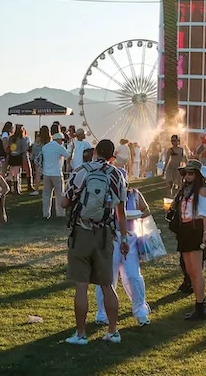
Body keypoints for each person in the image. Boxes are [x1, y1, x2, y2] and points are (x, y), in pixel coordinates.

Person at [61, 139, 129, 345]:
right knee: (107, 285)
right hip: (105, 233)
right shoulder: (117, 175)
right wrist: (124, 237)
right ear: (111, 156)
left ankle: (81, 334)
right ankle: (113, 331)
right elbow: (121, 211)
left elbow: (65, 201)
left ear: (95, 152)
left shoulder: (82, 171)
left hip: (82, 230)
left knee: (81, 286)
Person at [93, 183, 152, 327]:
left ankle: (140, 311)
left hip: (130, 238)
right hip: (110, 238)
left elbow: (146, 210)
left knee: (133, 275)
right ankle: (102, 313)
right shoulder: (104, 195)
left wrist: (136, 215)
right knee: (108, 277)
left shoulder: (134, 194)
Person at [169, 160, 206, 320]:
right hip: (184, 231)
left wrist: (205, 233)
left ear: (198, 175)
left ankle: (201, 306)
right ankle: (199, 305)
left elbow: (205, 214)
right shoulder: (184, 191)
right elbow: (174, 207)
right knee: (189, 271)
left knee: (196, 271)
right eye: (186, 173)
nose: (187, 176)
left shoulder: (202, 191)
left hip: (195, 230)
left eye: (191, 173)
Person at [39, 129, 72, 219]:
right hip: (57, 173)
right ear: (58, 140)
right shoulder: (59, 147)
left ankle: (46, 213)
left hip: (46, 173)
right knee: (60, 194)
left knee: (46, 194)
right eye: (61, 140)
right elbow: (68, 156)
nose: (62, 142)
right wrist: (72, 149)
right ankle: (60, 213)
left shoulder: (45, 147)